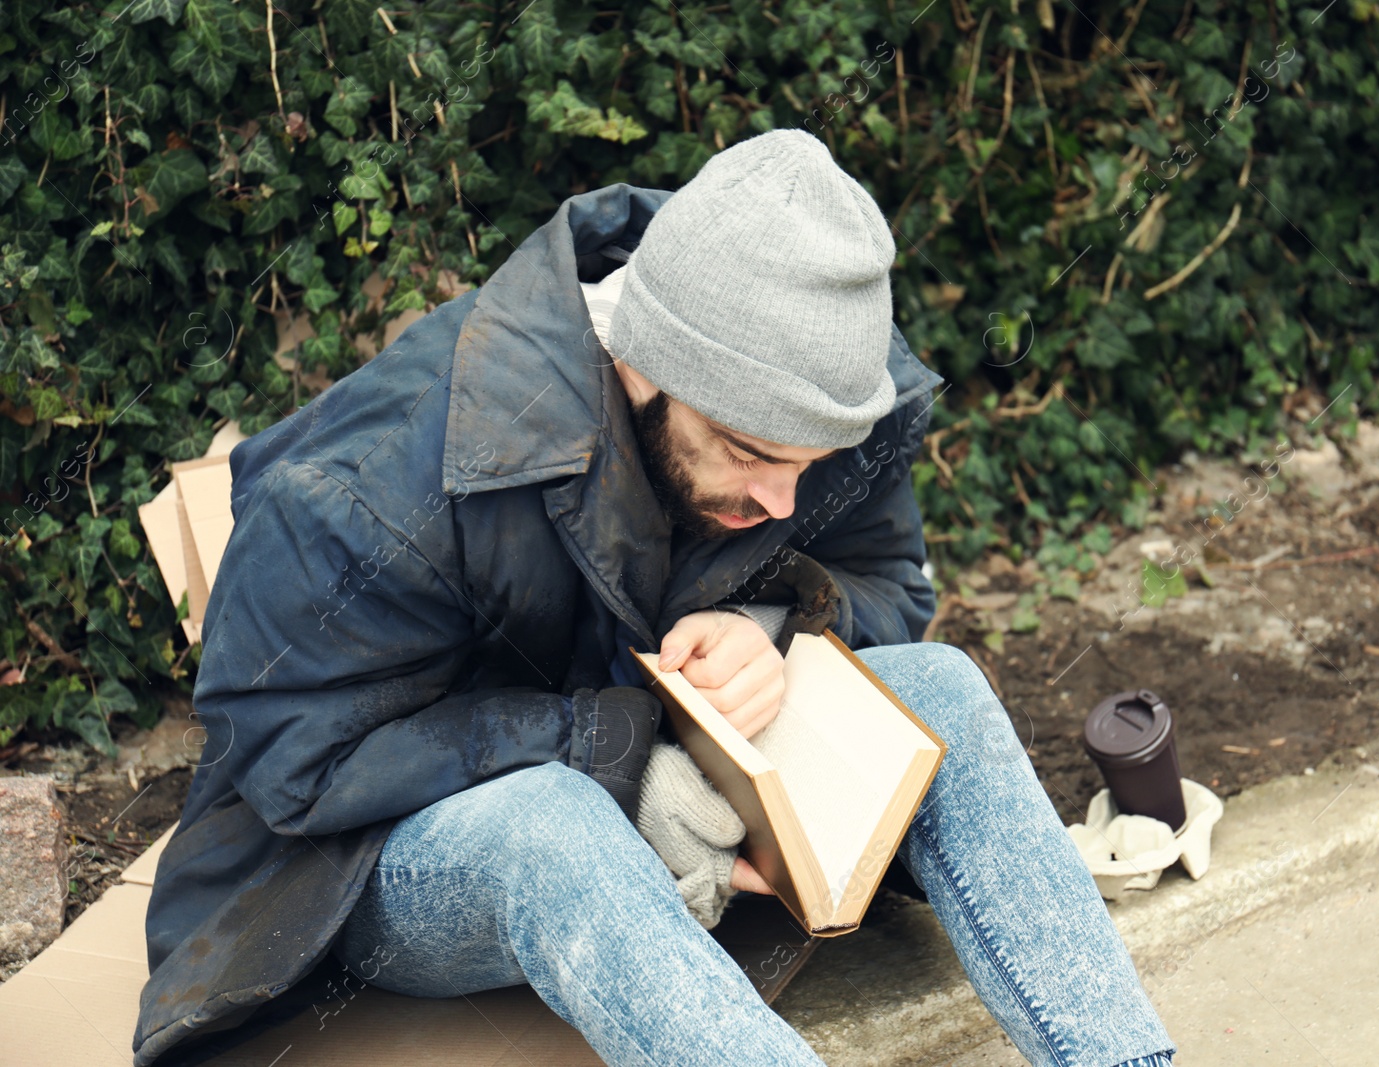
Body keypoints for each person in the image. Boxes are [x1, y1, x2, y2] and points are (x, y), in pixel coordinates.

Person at [133, 128, 1176, 1067]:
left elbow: (888, 582)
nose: (782, 498)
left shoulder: (821, 397)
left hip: (660, 783)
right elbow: (294, 763)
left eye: (809, 468)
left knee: (938, 687)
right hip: (361, 870)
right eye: (751, 454)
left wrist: (774, 624)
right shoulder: (376, 486)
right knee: (552, 827)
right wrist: (624, 756)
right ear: (649, 366)